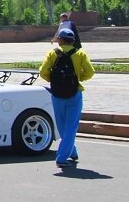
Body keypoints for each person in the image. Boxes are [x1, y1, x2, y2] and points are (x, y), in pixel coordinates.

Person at [38, 28, 95, 169]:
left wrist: (54, 81)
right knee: (71, 126)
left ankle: (71, 151)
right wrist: (78, 78)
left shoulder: (52, 53)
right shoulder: (80, 53)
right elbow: (90, 71)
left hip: (57, 94)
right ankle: (63, 157)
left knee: (62, 125)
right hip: (74, 93)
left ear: (61, 39)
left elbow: (43, 71)